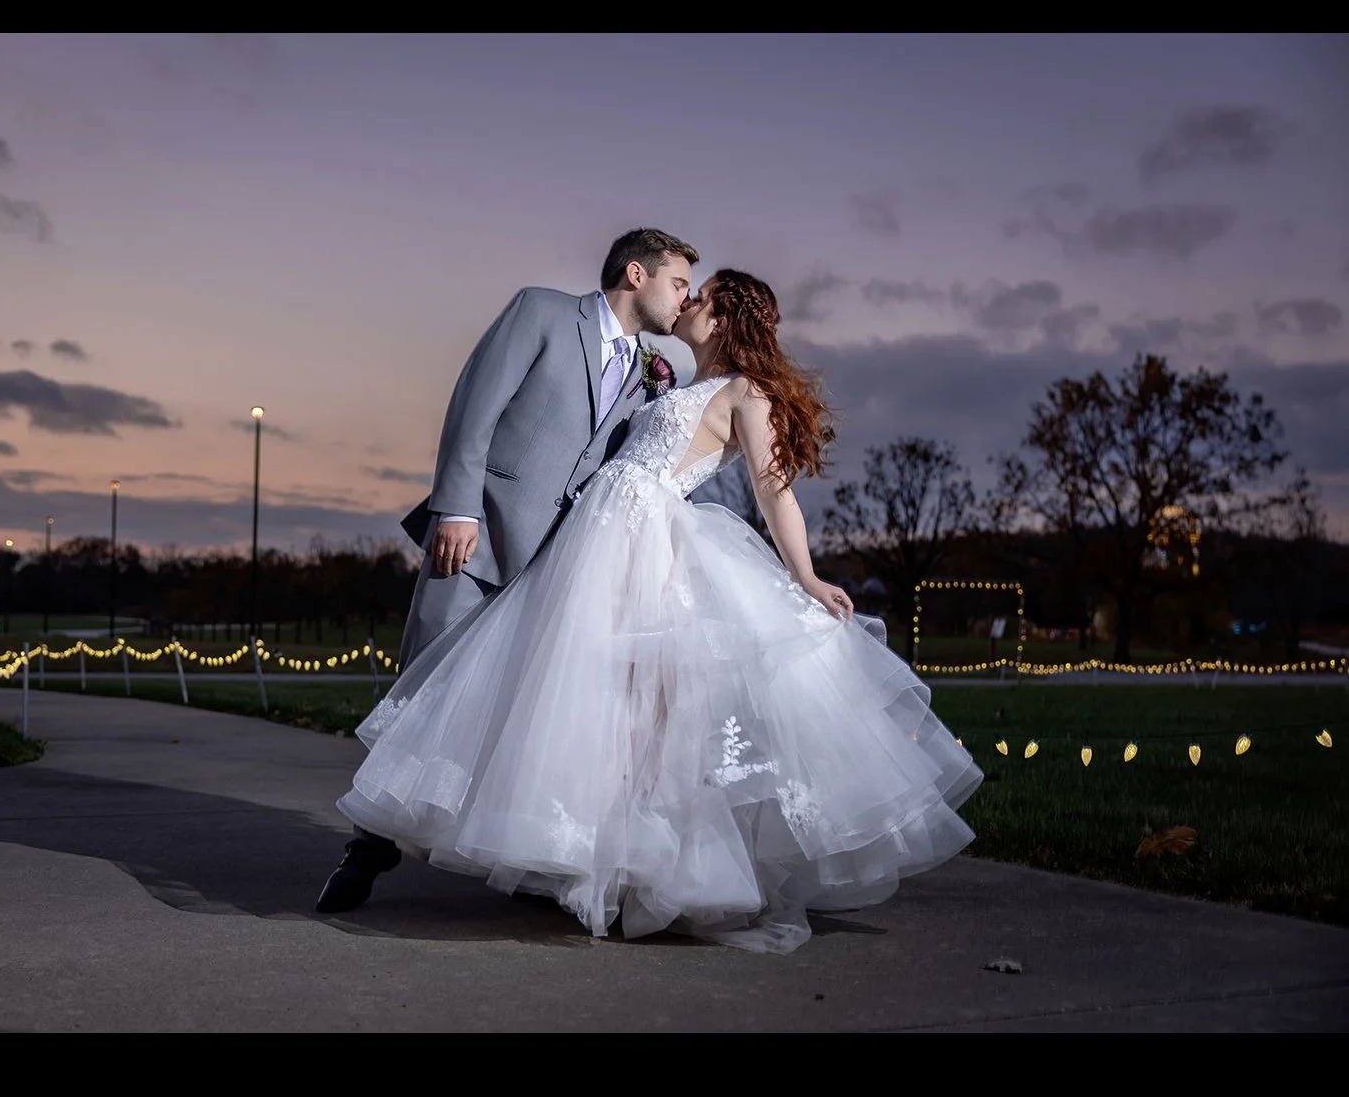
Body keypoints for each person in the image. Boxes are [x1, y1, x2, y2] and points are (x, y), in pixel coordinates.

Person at [333, 268, 984, 953]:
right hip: (596, 536)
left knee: (650, 708)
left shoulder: (744, 393)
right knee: (589, 697)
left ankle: (656, 867)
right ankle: (588, 855)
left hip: (642, 538)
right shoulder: (670, 378)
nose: (690, 302)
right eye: (687, 289)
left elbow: (774, 491)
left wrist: (808, 576)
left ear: (729, 319)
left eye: (702, 298)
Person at [315, 228, 699, 912]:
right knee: (421, 695)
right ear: (636, 274)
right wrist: (456, 509)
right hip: (476, 543)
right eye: (679, 284)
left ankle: (522, 862)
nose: (685, 299)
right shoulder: (543, 312)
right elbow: (474, 408)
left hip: (560, 570)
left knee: (528, 719)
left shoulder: (652, 370)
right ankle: (369, 847)